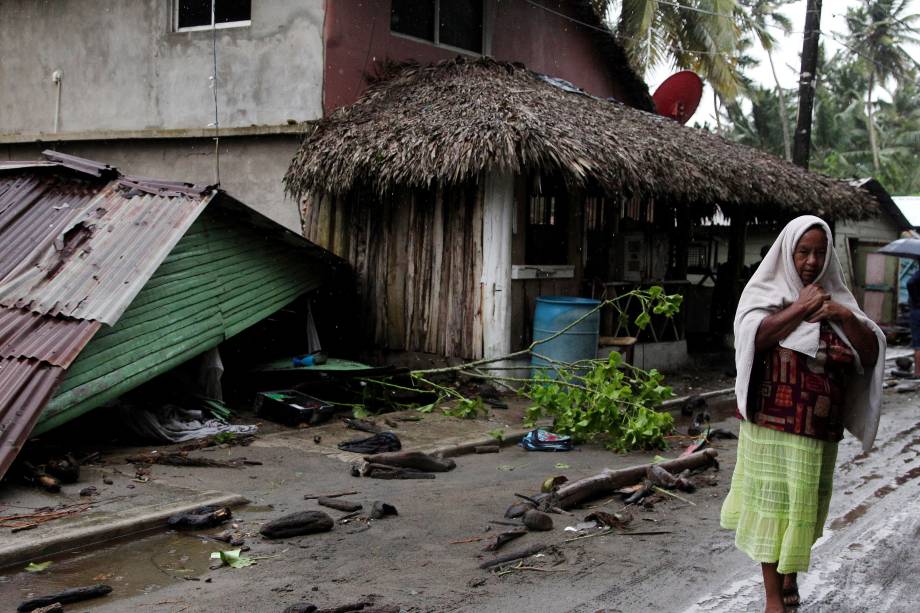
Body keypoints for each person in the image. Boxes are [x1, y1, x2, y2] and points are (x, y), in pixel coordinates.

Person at [721, 215, 885, 612]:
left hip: (817, 429)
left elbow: (870, 352)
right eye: (803, 251)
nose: (811, 261)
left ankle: (790, 574)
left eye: (818, 252)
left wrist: (844, 317)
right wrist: (799, 308)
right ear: (787, 251)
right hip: (770, 426)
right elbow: (752, 338)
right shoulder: (765, 291)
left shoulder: (838, 301)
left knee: (803, 509)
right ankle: (773, 597)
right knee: (772, 507)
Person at [906, 264, 920, 376]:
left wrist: (916, 300)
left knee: (918, 343)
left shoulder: (917, 276)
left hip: (917, 311)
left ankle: (918, 372)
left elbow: (909, 283)